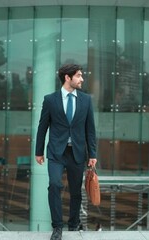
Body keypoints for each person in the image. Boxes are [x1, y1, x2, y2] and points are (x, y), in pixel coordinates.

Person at [35, 64, 97, 240]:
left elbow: (90, 130)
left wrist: (92, 154)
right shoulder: (50, 100)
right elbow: (42, 127)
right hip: (56, 153)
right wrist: (38, 151)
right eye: (78, 76)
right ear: (67, 78)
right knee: (55, 185)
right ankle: (57, 227)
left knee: (76, 191)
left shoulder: (86, 100)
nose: (82, 79)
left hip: (77, 152)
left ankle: (73, 224)